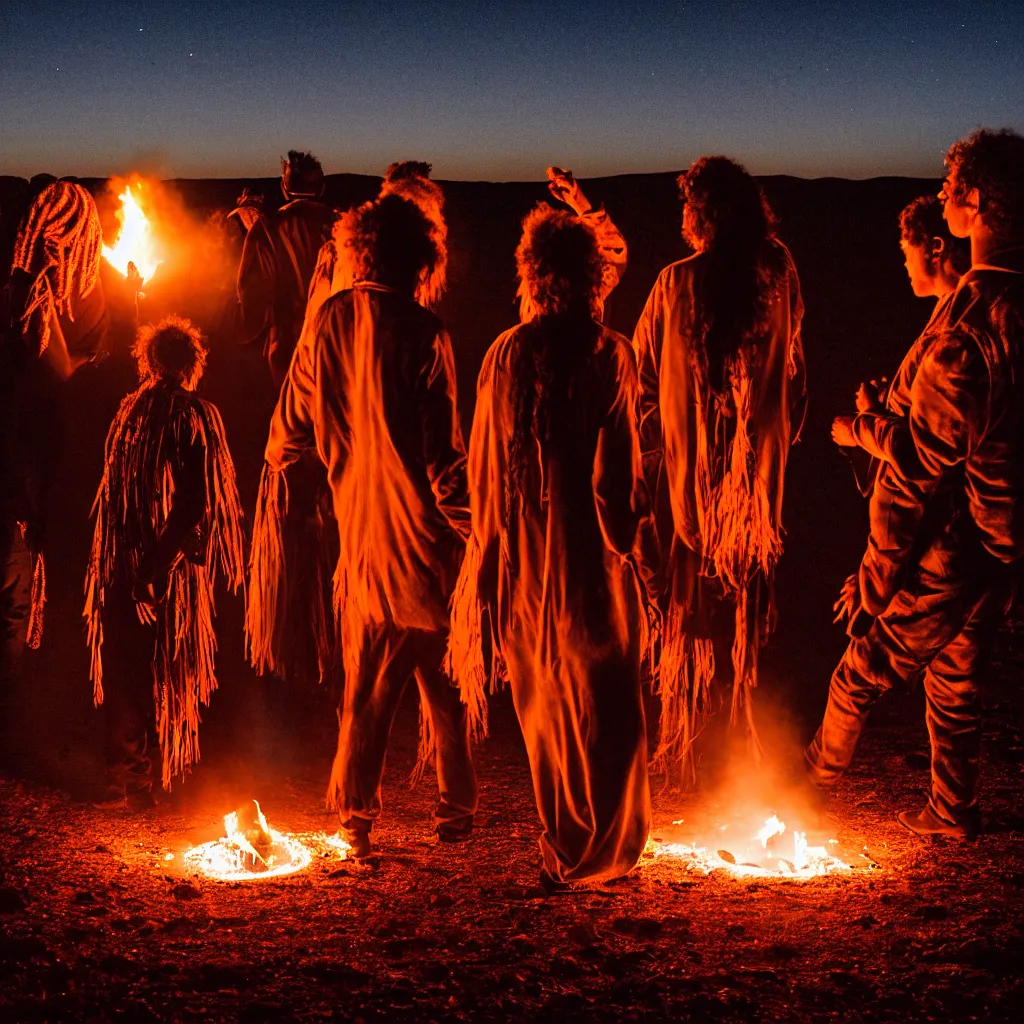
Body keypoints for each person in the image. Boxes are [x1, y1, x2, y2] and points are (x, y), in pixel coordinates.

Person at [805, 128, 1024, 838]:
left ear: (977, 203)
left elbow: (912, 470)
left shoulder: (971, 329)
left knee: (860, 671)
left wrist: (874, 581)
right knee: (955, 678)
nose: (940, 199)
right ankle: (950, 808)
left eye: (948, 189)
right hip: (1001, 541)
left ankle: (806, 786)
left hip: (961, 542)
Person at [257, 191, 477, 858]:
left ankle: (355, 821)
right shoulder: (424, 333)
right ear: (420, 258)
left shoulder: (325, 323)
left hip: (362, 540)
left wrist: (296, 474)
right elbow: (444, 461)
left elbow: (286, 432)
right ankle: (454, 814)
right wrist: (485, 531)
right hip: (426, 545)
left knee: (366, 689)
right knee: (446, 684)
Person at [448, 204, 659, 888]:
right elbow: (618, 477)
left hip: (524, 555)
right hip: (592, 554)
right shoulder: (611, 354)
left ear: (533, 276)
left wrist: (486, 552)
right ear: (593, 277)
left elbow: (482, 464)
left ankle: (571, 844)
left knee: (545, 704)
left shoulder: (505, 354)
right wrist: (633, 541)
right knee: (610, 698)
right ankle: (610, 847)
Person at [632, 156, 806, 785]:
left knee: (689, 610)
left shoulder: (676, 284)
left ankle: (697, 749)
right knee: (745, 608)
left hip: (690, 489)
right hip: (757, 489)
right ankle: (742, 742)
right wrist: (774, 445)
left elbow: (644, 382)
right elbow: (795, 376)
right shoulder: (779, 271)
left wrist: (660, 453)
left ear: (698, 215)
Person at [85, 316, 245, 804]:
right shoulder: (161, 412)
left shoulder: (142, 412)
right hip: (146, 567)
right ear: (192, 362)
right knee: (144, 671)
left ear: (150, 360)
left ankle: (135, 780)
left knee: (138, 672)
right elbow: (194, 501)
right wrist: (151, 567)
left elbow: (192, 502)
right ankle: (133, 781)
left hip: (147, 567)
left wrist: (152, 566)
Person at [1, 182, 109, 763]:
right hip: (26, 467)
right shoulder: (39, 293)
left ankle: (25, 711)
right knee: (16, 597)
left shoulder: (32, 281)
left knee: (20, 594)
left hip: (33, 464)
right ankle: (16, 724)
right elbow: (57, 372)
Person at [831, 195, 970, 487]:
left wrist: (861, 424)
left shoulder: (956, 328)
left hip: (921, 518)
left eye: (906, 250)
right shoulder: (949, 309)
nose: (905, 264)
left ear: (935, 248)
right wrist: (890, 399)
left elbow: (923, 448)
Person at [234, 150, 336, 386]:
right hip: (338, 349)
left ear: (284, 188)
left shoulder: (266, 231)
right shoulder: (346, 228)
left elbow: (252, 301)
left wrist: (230, 331)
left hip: (289, 351)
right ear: (321, 188)